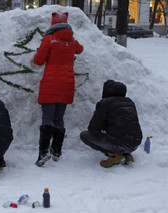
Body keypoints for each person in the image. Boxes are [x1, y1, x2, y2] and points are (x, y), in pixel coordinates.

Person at [31, 12, 84, 167]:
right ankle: (56, 150)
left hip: (50, 84)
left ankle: (43, 154)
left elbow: (38, 61)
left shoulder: (49, 40)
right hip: (67, 84)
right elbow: (80, 50)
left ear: (53, 24)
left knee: (47, 119)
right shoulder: (72, 41)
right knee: (59, 119)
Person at [80, 80, 143, 168]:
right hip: (135, 144)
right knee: (121, 135)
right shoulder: (129, 102)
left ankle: (115, 155)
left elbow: (93, 129)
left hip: (119, 143)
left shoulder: (104, 103)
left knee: (85, 135)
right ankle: (126, 155)